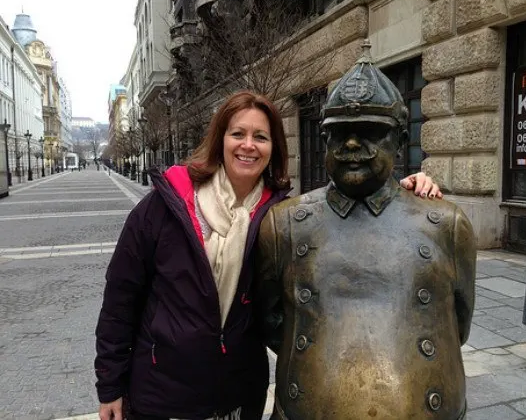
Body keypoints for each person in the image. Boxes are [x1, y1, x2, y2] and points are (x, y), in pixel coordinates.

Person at [94, 90, 443, 420]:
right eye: (238, 134)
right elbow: (120, 300)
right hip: (163, 392)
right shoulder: (165, 206)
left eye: (260, 137)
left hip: (237, 393)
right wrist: (110, 386)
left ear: (273, 147)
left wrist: (403, 192)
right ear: (221, 139)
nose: (248, 145)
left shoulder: (280, 216)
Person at [255, 43, 476, 419]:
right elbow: (271, 322)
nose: (352, 145)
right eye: (339, 135)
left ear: (401, 140)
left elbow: (455, 325)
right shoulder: (284, 225)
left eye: (370, 132)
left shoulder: (447, 225)